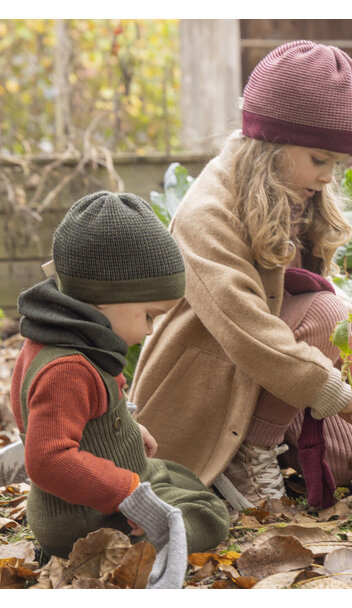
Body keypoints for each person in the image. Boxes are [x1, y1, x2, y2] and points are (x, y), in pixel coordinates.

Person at [129, 40, 352, 511]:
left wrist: (351, 398)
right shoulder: (208, 211)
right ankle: (247, 455)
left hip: (266, 371)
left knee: (343, 468)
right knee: (326, 310)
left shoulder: (291, 192)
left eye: (336, 165)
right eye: (319, 160)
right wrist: (335, 394)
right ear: (270, 142)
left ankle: (272, 441)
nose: (327, 178)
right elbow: (248, 330)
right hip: (205, 378)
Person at [10, 191, 230, 589]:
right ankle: (136, 549)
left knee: (182, 478)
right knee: (206, 514)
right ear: (105, 299)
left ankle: (141, 523)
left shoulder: (62, 337)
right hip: (82, 514)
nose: (148, 330)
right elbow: (46, 458)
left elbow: (83, 411)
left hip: (96, 489)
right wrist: (127, 493)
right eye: (148, 315)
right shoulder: (67, 368)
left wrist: (126, 424)